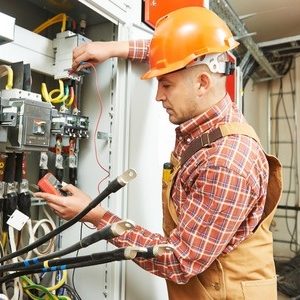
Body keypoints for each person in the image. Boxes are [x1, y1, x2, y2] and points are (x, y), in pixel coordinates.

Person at [35, 7, 282, 300]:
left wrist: (97, 216)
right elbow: (174, 56)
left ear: (202, 82)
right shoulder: (209, 116)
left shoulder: (226, 160)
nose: (159, 96)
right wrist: (114, 47)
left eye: (166, 84)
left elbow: (179, 259)